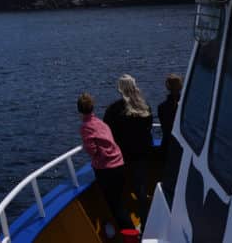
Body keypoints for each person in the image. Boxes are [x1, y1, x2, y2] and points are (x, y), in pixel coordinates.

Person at [78, 92, 131, 234]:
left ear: (80, 110)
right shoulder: (101, 123)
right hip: (119, 163)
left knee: (114, 205)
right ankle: (130, 232)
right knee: (120, 201)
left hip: (106, 169)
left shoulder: (85, 127)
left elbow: (92, 151)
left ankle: (130, 235)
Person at [104, 74, 153, 222]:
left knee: (121, 193)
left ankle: (127, 226)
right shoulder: (145, 107)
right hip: (141, 155)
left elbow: (108, 131)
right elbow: (148, 127)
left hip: (121, 156)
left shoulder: (114, 109)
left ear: (120, 89)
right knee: (141, 190)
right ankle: (146, 222)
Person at [157, 74, 183, 205]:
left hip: (167, 146)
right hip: (182, 148)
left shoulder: (162, 107)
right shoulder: (186, 106)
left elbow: (165, 127)